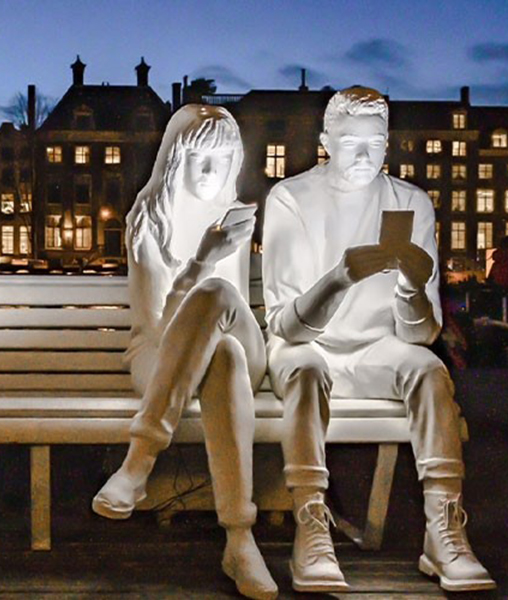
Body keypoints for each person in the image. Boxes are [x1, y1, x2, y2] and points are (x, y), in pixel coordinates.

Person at [262, 87, 496, 593]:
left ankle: (444, 530)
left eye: (375, 142)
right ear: (326, 141)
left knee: (430, 371)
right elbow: (286, 326)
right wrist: (339, 278)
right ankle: (311, 522)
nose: (364, 154)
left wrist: (413, 287)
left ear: (388, 143)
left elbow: (422, 333)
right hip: (308, 348)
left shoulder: (409, 203)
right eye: (350, 141)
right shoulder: (291, 198)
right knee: (304, 368)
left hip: (375, 349)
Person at [92, 105, 277, 600]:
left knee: (217, 304)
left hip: (235, 338)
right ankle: (240, 539)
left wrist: (207, 263)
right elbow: (157, 327)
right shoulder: (148, 219)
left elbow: (223, 312)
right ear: (174, 158)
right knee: (224, 362)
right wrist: (201, 262)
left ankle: (138, 463)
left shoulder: (230, 220)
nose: (211, 172)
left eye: (222, 159)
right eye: (198, 158)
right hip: (159, 355)